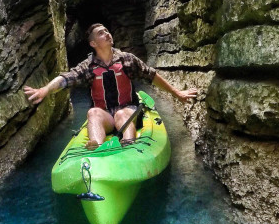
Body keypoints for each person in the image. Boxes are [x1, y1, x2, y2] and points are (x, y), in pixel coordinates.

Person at [24, 23, 197, 149]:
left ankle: (128, 146)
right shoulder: (88, 66)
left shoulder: (126, 59)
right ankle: (97, 148)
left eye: (107, 30)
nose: (107, 33)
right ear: (93, 43)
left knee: (122, 114)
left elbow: (151, 76)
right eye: (101, 33)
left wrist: (177, 93)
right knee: (92, 112)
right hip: (105, 115)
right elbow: (66, 79)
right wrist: (45, 89)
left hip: (127, 110)